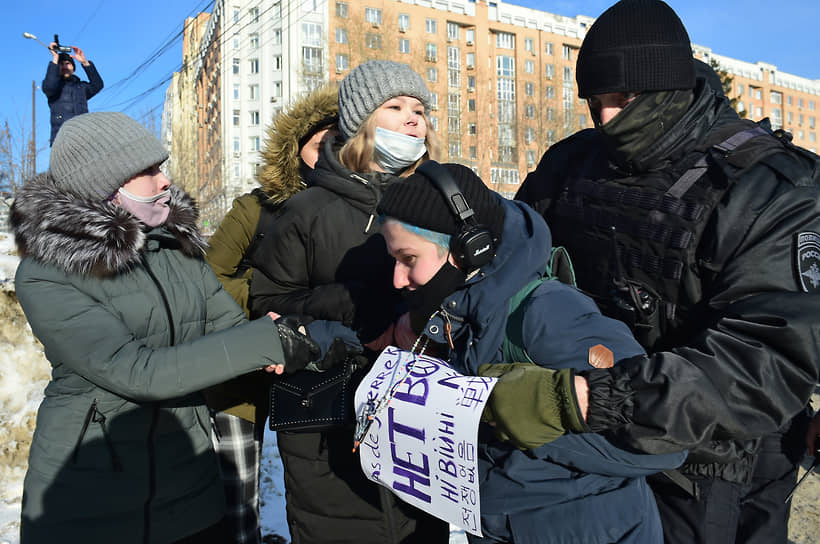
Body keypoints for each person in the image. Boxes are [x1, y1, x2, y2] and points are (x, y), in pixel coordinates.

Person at [510, 1, 820, 543]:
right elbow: (514, 262)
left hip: (715, 464)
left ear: (669, 88)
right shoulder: (571, 163)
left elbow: (768, 353)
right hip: (583, 439)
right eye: (595, 102)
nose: (607, 118)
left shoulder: (768, 184)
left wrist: (598, 399)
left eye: (623, 100)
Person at [10, 112, 342, 543]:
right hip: (91, 501)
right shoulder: (48, 272)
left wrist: (295, 340)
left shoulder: (177, 250)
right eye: (148, 170)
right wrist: (263, 341)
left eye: (160, 166)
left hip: (191, 492)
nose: (164, 179)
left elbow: (229, 330)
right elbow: (137, 370)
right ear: (103, 185)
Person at [375, 161, 686, 542]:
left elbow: (664, 440)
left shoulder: (546, 313)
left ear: (469, 249)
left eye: (408, 259)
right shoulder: (460, 311)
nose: (397, 278)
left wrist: (541, 414)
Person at [247, 60, 448, 543]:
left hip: (416, 412)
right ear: (359, 123)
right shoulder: (305, 211)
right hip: (326, 416)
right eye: (395, 106)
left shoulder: (440, 199)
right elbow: (266, 303)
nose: (412, 118)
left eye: (419, 109)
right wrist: (358, 302)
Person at [203, 84, 338, 544]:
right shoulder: (255, 209)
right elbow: (207, 282)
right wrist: (268, 302)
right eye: (322, 145)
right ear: (295, 151)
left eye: (342, 142)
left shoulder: (356, 213)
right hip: (241, 374)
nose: (332, 154)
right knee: (238, 496)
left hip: (315, 376)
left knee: (318, 492)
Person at [41, 41, 103, 145]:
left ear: (73, 68)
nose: (65, 66)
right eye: (61, 64)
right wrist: (55, 58)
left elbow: (98, 85)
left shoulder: (81, 87)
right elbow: (49, 87)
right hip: (62, 139)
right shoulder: (54, 86)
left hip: (83, 137)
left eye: (68, 64)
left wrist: (85, 63)